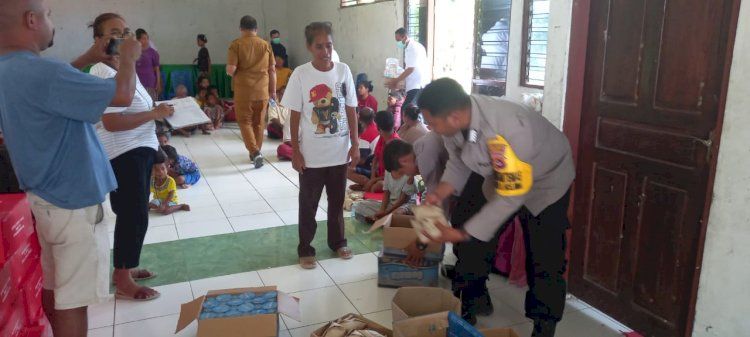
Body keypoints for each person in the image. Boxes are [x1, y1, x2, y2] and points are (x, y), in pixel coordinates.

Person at [0, 1, 143, 335]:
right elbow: (122, 95)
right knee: (73, 301)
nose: (53, 23)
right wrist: (130, 57)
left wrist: (87, 59)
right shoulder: (44, 72)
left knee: (57, 287)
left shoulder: (9, 69)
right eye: (49, 16)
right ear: (31, 19)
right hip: (73, 201)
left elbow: (50, 90)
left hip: (46, 197)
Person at [418, 78, 575, 336]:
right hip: (495, 173)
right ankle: (473, 298)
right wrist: (440, 193)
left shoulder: (511, 129)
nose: (430, 128)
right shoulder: (455, 124)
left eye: (432, 122)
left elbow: (510, 198)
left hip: (546, 179)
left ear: (454, 117)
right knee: (465, 220)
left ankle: (544, 324)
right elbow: (458, 162)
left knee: (546, 255)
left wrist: (462, 233)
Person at [89, 13, 177, 303]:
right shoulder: (102, 71)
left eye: (125, 31)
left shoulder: (124, 67)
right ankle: (123, 279)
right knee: (132, 214)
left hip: (139, 151)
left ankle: (127, 265)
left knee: (137, 213)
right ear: (99, 40)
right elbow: (112, 123)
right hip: (122, 154)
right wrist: (154, 114)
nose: (124, 37)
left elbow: (139, 105)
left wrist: (157, 110)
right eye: (115, 32)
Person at [281, 22, 359, 270]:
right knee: (308, 203)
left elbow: (351, 110)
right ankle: (306, 248)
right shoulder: (301, 74)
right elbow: (294, 116)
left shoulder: (343, 70)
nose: (325, 51)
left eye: (329, 45)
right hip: (312, 156)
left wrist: (355, 144)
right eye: (319, 46)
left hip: (339, 152)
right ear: (309, 47)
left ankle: (338, 242)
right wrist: (296, 150)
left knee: (337, 202)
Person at [227, 15, 277, 168]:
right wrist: (273, 91)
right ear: (256, 29)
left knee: (245, 122)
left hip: (244, 92)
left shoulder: (236, 45)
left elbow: (231, 70)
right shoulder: (266, 45)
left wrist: (230, 71)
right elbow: (272, 70)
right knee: (259, 123)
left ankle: (255, 152)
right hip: (262, 91)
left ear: (241, 28)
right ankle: (256, 153)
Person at [352, 139, 417, 222]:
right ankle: (384, 220)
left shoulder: (409, 174)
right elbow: (386, 193)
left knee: (398, 213)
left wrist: (386, 212)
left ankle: (385, 220)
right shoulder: (389, 172)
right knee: (360, 206)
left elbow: (403, 200)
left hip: (405, 206)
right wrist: (382, 210)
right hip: (391, 205)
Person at [352, 110, 400, 193]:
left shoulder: (395, 144)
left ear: (379, 127)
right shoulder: (382, 137)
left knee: (378, 186)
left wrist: (373, 181)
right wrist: (372, 178)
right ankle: (367, 186)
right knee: (349, 171)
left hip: (391, 178)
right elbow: (375, 159)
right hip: (379, 175)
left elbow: (393, 174)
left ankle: (367, 187)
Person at [387, 28, 429, 108]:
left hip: (417, 84)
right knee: (411, 111)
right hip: (415, 84)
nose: (398, 43)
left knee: (407, 110)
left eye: (398, 40)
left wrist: (396, 80)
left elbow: (411, 69)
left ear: (405, 37)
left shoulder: (412, 48)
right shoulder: (414, 46)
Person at [348, 107, 377, 184]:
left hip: (371, 167)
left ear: (358, 116)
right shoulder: (375, 126)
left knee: (344, 171)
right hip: (374, 164)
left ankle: (367, 183)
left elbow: (361, 161)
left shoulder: (365, 135)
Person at [135, 28, 162, 101]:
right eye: (144, 38)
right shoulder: (134, 52)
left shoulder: (153, 52)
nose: (146, 40)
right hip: (137, 84)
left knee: (151, 103)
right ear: (138, 40)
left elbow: (157, 69)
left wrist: (158, 83)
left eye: (147, 38)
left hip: (150, 83)